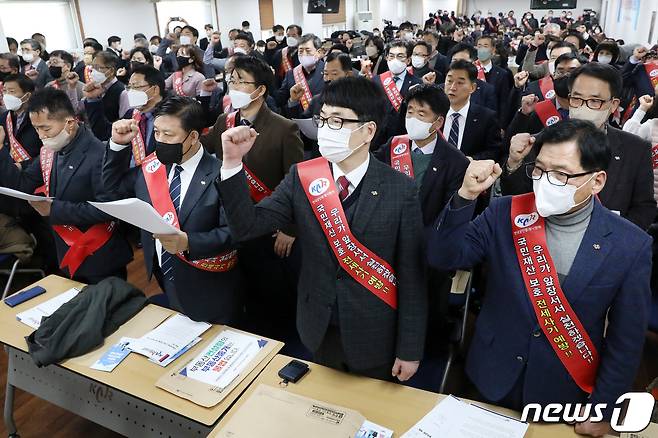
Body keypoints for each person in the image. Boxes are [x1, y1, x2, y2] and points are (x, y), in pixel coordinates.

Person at [428, 119, 651, 438]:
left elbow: (625, 339)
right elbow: (443, 257)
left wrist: (604, 409)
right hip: (490, 375)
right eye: (540, 170)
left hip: (562, 392)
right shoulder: (505, 213)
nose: (546, 182)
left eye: (561, 174)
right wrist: (465, 197)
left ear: (597, 181)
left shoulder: (629, 245)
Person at [217, 76, 427, 381]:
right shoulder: (302, 176)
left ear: (368, 130)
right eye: (324, 119)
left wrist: (409, 349)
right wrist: (232, 162)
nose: (327, 129)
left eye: (338, 121)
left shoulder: (400, 190)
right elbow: (247, 227)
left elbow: (412, 276)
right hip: (317, 322)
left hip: (375, 329)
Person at [103, 96, 242, 323]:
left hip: (209, 282)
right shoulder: (152, 167)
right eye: (156, 132)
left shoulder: (221, 174)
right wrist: (118, 145)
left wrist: (189, 242)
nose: (159, 141)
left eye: (168, 135)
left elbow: (236, 232)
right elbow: (111, 190)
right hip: (164, 273)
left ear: (194, 136)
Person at [501, 63, 656, 231]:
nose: (584, 106)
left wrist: (618, 239)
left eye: (595, 101)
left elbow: (644, 207)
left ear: (613, 104)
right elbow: (518, 195)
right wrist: (513, 163)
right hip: (545, 243)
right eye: (577, 99)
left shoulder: (636, 149)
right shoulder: (543, 140)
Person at [0, 87, 132, 283]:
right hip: (64, 248)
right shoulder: (50, 150)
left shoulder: (99, 154)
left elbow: (110, 208)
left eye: (45, 128)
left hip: (99, 256)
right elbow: (24, 185)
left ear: (69, 123)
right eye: (36, 128)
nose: (40, 135)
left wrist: (55, 209)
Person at [442, 60, 501, 161]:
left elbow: (494, 152)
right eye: (449, 81)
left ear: (472, 87)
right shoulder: (434, 112)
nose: (452, 87)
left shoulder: (486, 118)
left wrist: (471, 160)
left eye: (460, 83)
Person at [372, 40, 423, 147]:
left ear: (408, 60)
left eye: (400, 56)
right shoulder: (376, 81)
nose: (395, 60)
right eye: (391, 56)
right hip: (377, 139)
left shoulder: (417, 83)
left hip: (403, 138)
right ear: (386, 58)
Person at [83, 50, 130, 140]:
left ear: (111, 71)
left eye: (98, 68)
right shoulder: (94, 88)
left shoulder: (122, 92)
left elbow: (124, 121)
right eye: (92, 68)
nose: (93, 72)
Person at [272, 34, 325, 110]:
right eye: (300, 51)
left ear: (319, 52)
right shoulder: (291, 74)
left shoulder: (328, 71)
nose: (304, 54)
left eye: (308, 50)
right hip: (296, 118)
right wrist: (292, 101)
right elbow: (280, 100)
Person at [0, 74, 40, 165]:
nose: (6, 96)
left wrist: (23, 166)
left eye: (11, 91)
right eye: (5, 91)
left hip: (31, 173)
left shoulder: (39, 118)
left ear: (27, 96)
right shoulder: (3, 118)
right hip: (8, 172)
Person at [446, 43, 497, 112]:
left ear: (473, 63)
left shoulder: (486, 90)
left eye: (463, 62)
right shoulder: (440, 89)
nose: (457, 65)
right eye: (454, 61)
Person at [475, 35, 513, 119]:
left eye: (485, 46)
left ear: (493, 49)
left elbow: (504, 102)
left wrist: (502, 125)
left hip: (492, 120)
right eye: (479, 46)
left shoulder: (502, 74)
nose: (482, 49)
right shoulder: (470, 70)